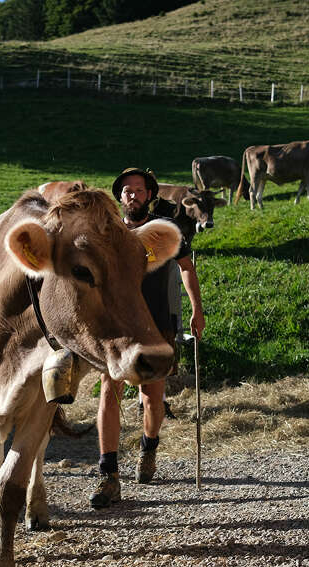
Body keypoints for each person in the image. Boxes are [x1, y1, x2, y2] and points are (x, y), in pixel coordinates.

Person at [89, 168, 206, 509]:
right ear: (119, 197)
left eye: (139, 189)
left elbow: (186, 267)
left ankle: (148, 447)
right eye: (126, 190)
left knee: (152, 398)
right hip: (117, 330)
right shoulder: (107, 233)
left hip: (156, 326)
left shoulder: (164, 231)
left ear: (150, 194)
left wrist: (197, 311)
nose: (132, 195)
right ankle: (109, 474)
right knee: (109, 392)